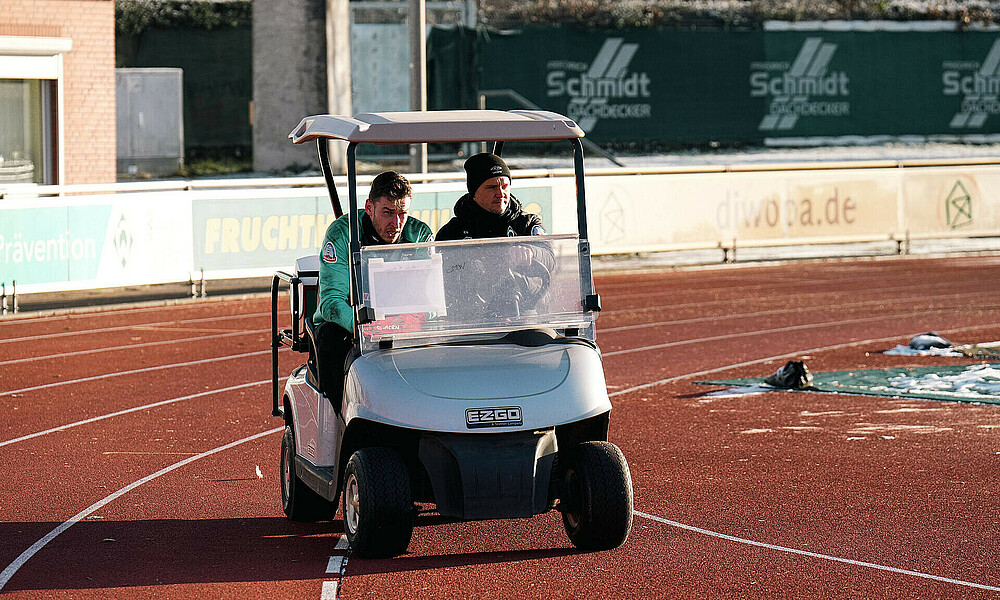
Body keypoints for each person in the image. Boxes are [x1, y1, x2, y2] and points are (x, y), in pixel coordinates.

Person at [312, 170, 433, 400]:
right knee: (329, 338)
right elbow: (332, 302)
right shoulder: (342, 233)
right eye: (388, 213)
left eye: (402, 213)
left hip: (402, 324)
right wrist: (365, 327)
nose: (395, 223)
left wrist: (417, 318)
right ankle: (342, 419)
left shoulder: (419, 235)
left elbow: (433, 296)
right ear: (369, 208)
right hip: (353, 325)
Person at [437, 153, 554, 316]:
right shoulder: (452, 232)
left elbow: (549, 258)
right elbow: (443, 280)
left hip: (527, 313)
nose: (500, 193)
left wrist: (531, 252)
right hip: (475, 320)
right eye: (491, 187)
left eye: (505, 186)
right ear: (474, 192)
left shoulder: (526, 223)